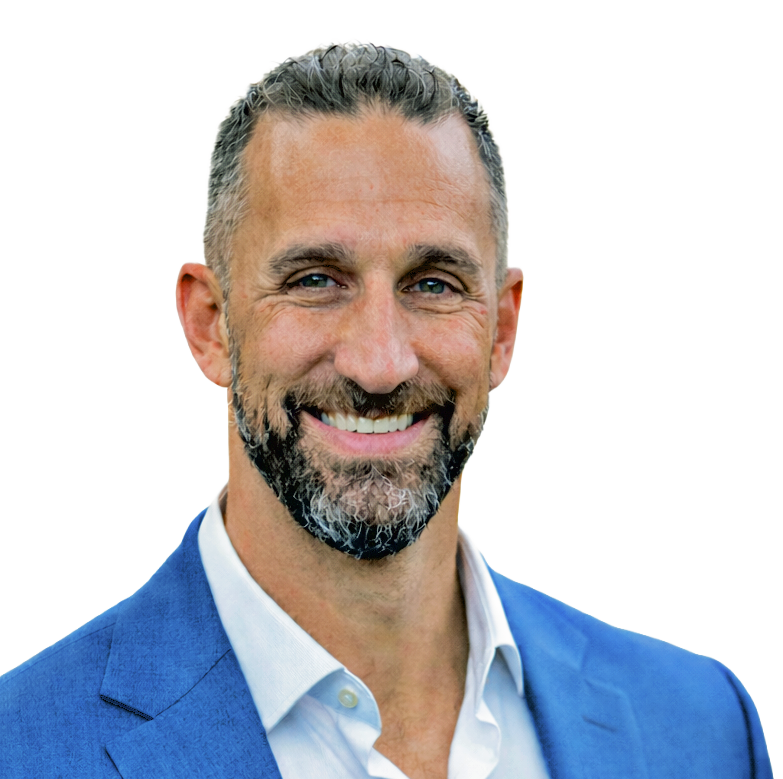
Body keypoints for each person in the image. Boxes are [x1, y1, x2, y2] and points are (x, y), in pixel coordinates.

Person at [0, 42, 772, 779]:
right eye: (314, 280)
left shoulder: (699, 727)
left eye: (432, 283)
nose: (380, 362)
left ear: (501, 329)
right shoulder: (20, 745)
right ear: (211, 325)